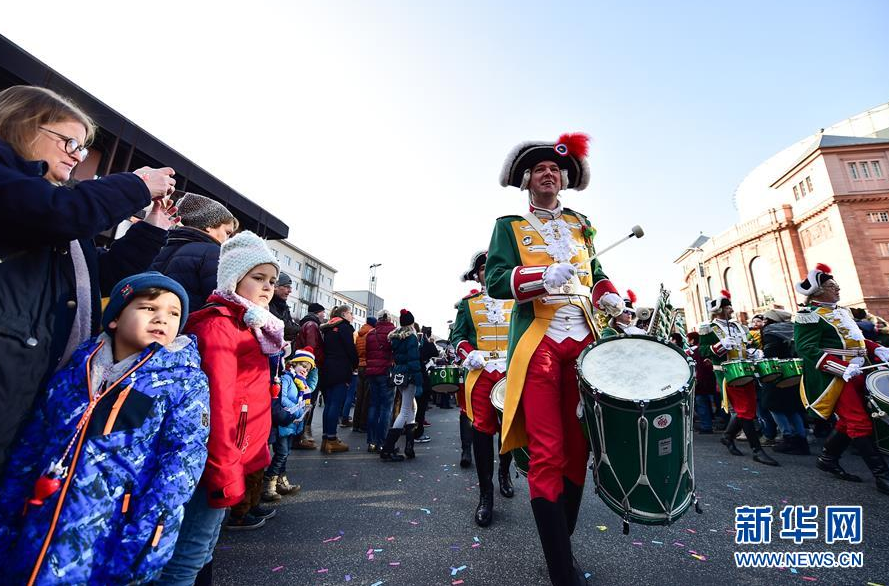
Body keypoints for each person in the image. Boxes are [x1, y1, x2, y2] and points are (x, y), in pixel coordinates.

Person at [0, 85, 179, 472]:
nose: (77, 156)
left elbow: (102, 275)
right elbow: (59, 214)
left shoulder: (54, 203)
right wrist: (136, 184)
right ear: (23, 126)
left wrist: (152, 229)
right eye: (68, 142)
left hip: (36, 386)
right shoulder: (27, 194)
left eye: (80, 148)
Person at [0, 272, 208, 585]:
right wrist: (9, 508)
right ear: (115, 318)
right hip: (38, 518)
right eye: (149, 308)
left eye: (174, 313)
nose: (163, 319)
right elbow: (33, 442)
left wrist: (148, 539)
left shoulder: (183, 381)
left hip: (110, 533)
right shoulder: (77, 367)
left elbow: (182, 463)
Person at [486, 133, 626, 585]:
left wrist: (610, 297)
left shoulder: (582, 222)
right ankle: (560, 569)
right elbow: (495, 280)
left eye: (556, 170)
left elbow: (597, 272)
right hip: (540, 339)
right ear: (527, 179)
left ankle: (561, 551)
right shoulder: (509, 224)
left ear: (564, 179)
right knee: (547, 451)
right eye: (541, 169)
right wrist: (539, 275)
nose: (550, 174)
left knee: (579, 448)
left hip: (584, 339)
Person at [158, 231, 284, 585]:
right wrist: (226, 466)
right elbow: (217, 405)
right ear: (233, 277)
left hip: (233, 451)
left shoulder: (251, 324)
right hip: (217, 455)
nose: (267, 287)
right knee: (188, 556)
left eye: (271, 280)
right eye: (257, 278)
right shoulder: (220, 326)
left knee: (205, 548)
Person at [793, 263, 889, 494]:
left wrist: (875, 348)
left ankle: (828, 458)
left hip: (860, 369)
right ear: (817, 292)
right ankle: (882, 476)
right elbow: (806, 349)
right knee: (859, 422)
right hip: (835, 376)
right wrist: (840, 367)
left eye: (836, 285)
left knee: (852, 420)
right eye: (831, 285)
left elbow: (855, 339)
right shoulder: (808, 316)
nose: (837, 289)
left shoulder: (842, 311)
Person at [450, 250, 515, 526]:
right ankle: (485, 495)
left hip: (512, 372)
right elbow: (457, 336)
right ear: (476, 275)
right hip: (481, 372)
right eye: (483, 269)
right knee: (482, 432)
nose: (488, 272)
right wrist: (467, 353)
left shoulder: (518, 301)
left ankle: (505, 474)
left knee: (510, 429)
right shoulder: (468, 304)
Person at [699, 290, 779, 467]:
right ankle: (756, 450)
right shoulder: (708, 328)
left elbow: (746, 344)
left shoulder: (738, 326)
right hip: (727, 372)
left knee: (748, 408)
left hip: (746, 369)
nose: (731, 310)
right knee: (744, 410)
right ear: (719, 310)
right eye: (727, 307)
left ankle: (728, 436)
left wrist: (752, 352)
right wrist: (719, 346)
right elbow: (704, 351)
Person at [149, 192, 238, 312]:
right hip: (188, 322)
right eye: (227, 232)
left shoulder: (165, 245)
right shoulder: (213, 252)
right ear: (209, 225)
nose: (227, 239)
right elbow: (220, 299)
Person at [263, 347, 317, 502]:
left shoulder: (302, 383)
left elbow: (311, 386)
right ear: (294, 364)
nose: (305, 371)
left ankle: (280, 480)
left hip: (293, 423)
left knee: (285, 454)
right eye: (303, 367)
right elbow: (282, 398)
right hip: (284, 420)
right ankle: (269, 483)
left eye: (308, 370)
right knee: (281, 453)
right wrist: (298, 409)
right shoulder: (287, 378)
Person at [759, 309, 809, 455]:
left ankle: (788, 437)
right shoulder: (793, 329)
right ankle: (801, 440)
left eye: (765, 319)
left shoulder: (770, 332)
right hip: (793, 372)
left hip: (776, 372)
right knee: (792, 408)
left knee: (774, 406)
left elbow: (770, 353)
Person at [380, 310, 424, 461]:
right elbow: (414, 361)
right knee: (405, 410)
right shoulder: (411, 338)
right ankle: (388, 448)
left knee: (410, 408)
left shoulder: (395, 337)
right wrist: (419, 382)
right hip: (409, 374)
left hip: (398, 374)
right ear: (411, 322)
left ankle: (409, 448)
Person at [319, 305, 359, 453]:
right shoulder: (345, 327)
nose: (352, 317)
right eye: (350, 313)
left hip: (327, 368)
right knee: (336, 404)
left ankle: (325, 438)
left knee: (329, 404)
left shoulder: (328, 327)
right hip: (340, 368)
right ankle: (332, 439)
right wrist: (355, 364)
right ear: (343, 314)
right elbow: (350, 349)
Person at [294, 303, 326, 449]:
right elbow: (311, 347)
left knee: (303, 399)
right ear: (318, 313)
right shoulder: (313, 325)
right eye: (323, 313)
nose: (324, 317)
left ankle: (300, 433)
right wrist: (312, 366)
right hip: (310, 367)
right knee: (308, 400)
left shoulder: (305, 323)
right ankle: (301, 435)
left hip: (304, 365)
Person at [365, 310, 396, 452]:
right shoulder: (393, 332)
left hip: (372, 372)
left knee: (373, 406)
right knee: (386, 408)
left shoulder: (371, 333)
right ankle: (381, 441)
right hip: (386, 372)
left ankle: (371, 441)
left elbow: (367, 353)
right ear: (389, 318)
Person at [686, 331, 717, 434]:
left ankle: (706, 426)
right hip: (711, 380)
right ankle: (718, 423)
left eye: (688, 338)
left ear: (693, 340)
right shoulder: (705, 349)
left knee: (701, 404)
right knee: (712, 403)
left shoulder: (694, 351)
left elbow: (697, 367)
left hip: (701, 382)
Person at [351, 316, 378, 432]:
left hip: (360, 366)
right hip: (367, 366)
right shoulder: (371, 335)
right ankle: (363, 424)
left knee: (359, 397)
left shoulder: (359, 334)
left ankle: (355, 423)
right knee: (367, 397)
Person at [414, 324, 439, 444]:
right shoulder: (421, 341)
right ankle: (417, 433)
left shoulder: (400, 338)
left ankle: (407, 432)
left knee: (406, 408)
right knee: (420, 406)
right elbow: (434, 352)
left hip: (405, 376)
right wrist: (429, 341)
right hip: (419, 375)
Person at [268, 272, 301, 357]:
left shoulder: (283, 305)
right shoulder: (268, 303)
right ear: (275, 287)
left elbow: (290, 327)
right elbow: (284, 327)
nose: (290, 291)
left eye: (290, 287)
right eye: (287, 287)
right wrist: (295, 330)